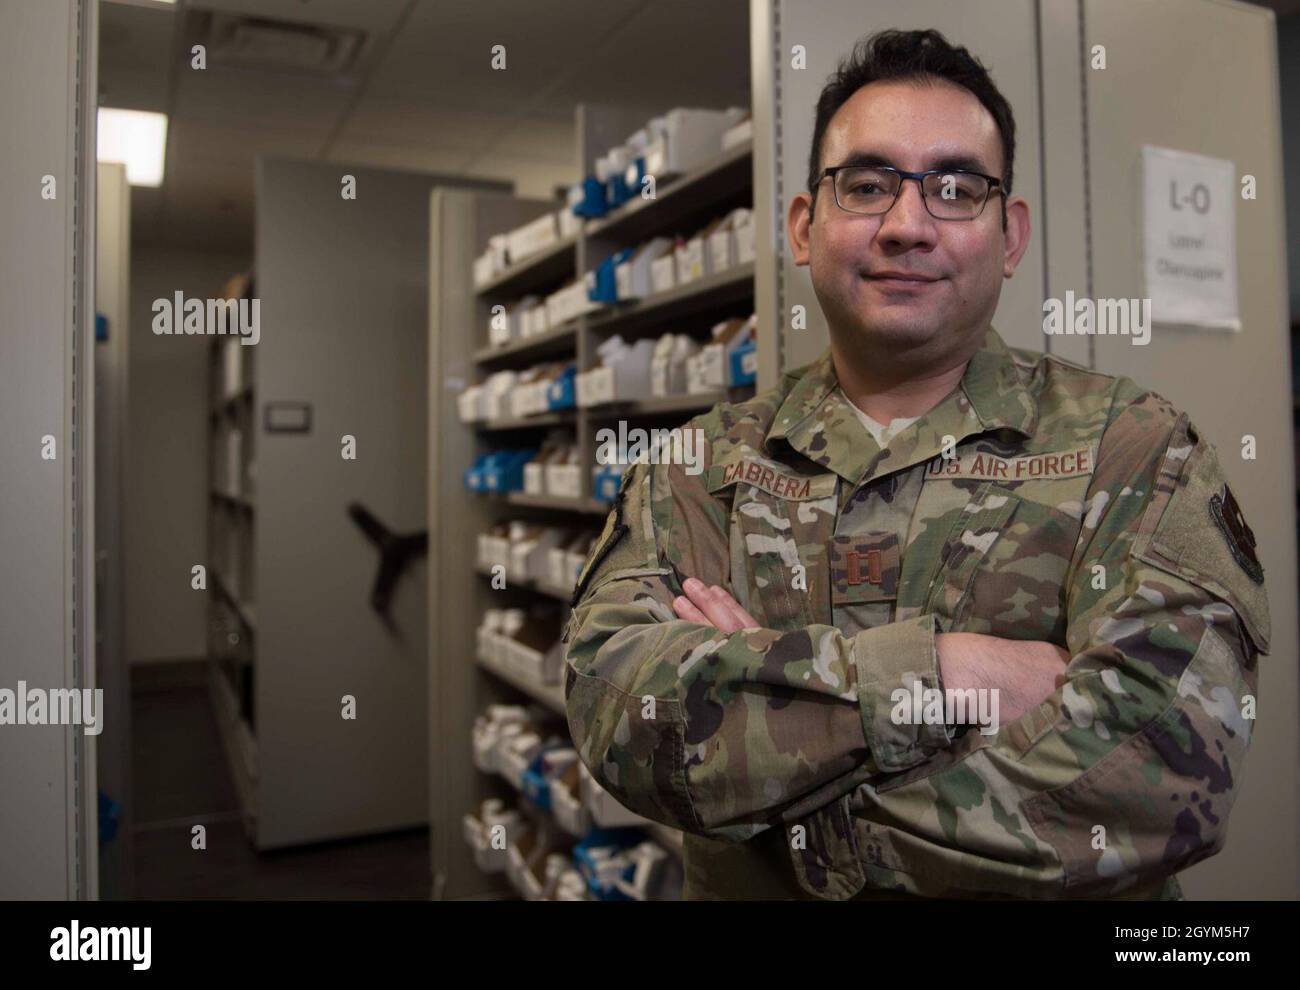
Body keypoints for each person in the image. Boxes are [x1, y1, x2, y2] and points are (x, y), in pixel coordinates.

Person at [561, 28, 1271, 900]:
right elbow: (618, 713)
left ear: (1008, 236)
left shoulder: (1134, 450)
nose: (907, 225)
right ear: (802, 225)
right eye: (866, 186)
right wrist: (950, 678)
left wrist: (773, 728)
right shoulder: (698, 468)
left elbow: (1163, 771)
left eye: (955, 188)